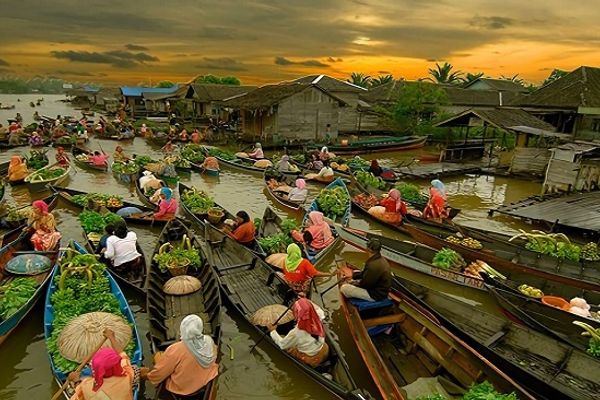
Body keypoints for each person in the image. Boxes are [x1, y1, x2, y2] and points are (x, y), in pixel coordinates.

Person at [141, 315, 218, 397]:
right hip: (206, 381)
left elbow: (159, 375)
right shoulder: (209, 340)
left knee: (158, 356)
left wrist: (146, 375)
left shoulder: (176, 349)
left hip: (181, 390)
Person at [68, 328, 135, 400]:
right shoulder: (127, 376)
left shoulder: (86, 385)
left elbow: (79, 390)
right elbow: (122, 354)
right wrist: (111, 337)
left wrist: (76, 381)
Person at [268, 297, 329, 368]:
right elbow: (313, 307)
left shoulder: (298, 332)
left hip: (308, 355)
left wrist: (272, 331)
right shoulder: (319, 315)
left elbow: (282, 345)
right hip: (322, 349)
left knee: (282, 338)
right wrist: (303, 299)